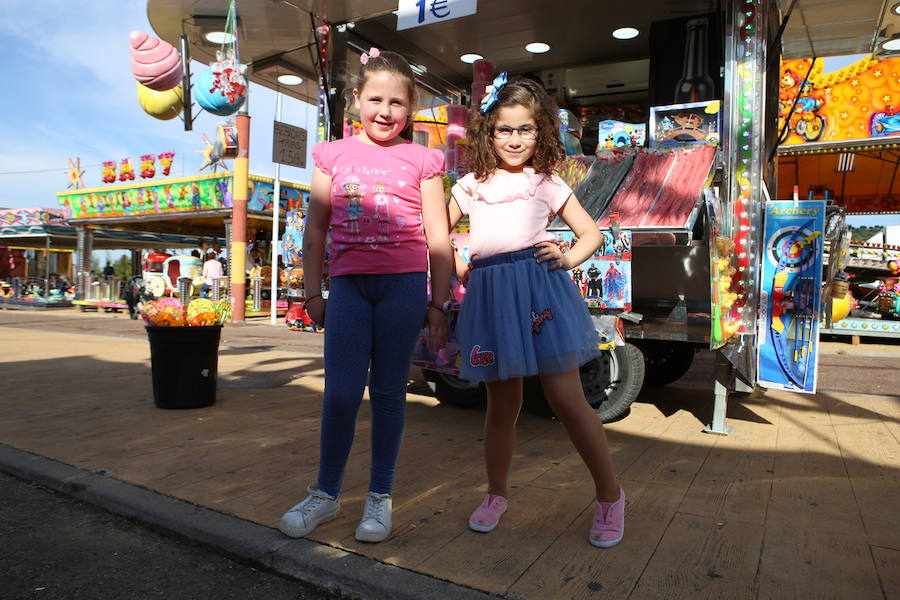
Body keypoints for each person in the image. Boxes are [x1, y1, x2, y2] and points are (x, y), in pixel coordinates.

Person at [278, 48, 452, 544]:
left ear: (411, 106)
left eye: (397, 102)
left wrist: (437, 305)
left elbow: (438, 239)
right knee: (339, 394)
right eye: (375, 98)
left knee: (391, 395)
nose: (385, 110)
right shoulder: (332, 154)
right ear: (356, 99)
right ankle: (326, 495)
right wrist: (312, 293)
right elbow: (316, 229)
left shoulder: (424, 160)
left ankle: (379, 498)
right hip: (349, 290)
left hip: (402, 290)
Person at [446, 75, 625, 548]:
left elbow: (592, 235)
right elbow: (435, 232)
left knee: (568, 401)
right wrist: (459, 262)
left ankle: (610, 496)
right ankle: (496, 494)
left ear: (539, 131)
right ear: (488, 132)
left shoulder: (547, 183)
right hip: (490, 297)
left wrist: (566, 258)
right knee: (501, 405)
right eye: (504, 130)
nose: (514, 139)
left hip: (540, 294)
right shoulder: (470, 185)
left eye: (524, 129)